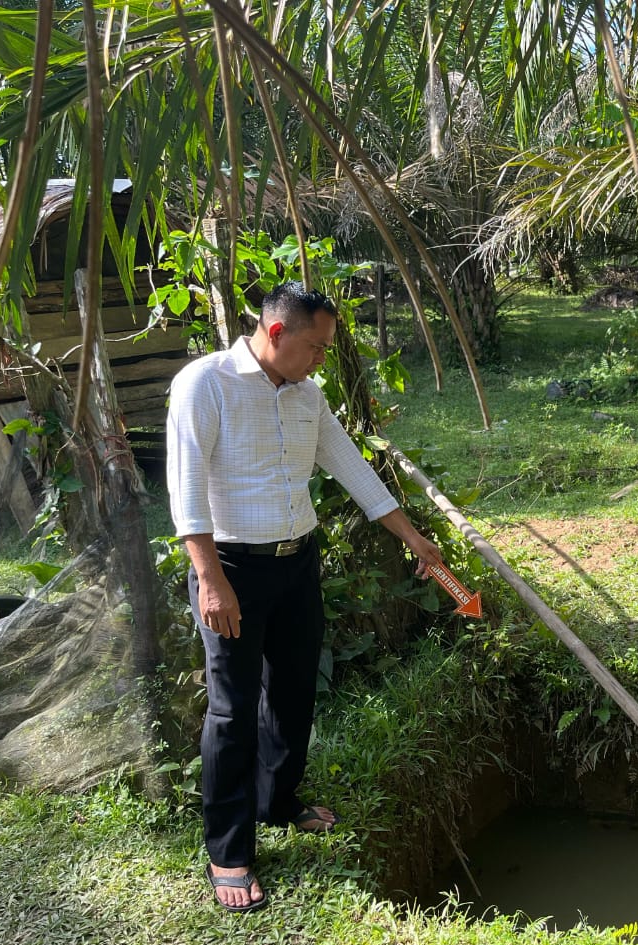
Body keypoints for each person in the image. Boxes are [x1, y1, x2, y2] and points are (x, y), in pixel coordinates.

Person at [166, 282, 443, 912]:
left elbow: (351, 468)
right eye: (316, 347)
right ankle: (229, 852)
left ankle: (277, 800)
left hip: (297, 562)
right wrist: (210, 579)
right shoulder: (203, 384)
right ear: (278, 332)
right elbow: (184, 489)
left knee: (292, 690)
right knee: (233, 710)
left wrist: (414, 538)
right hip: (232, 567)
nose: (323, 359)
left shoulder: (307, 395)